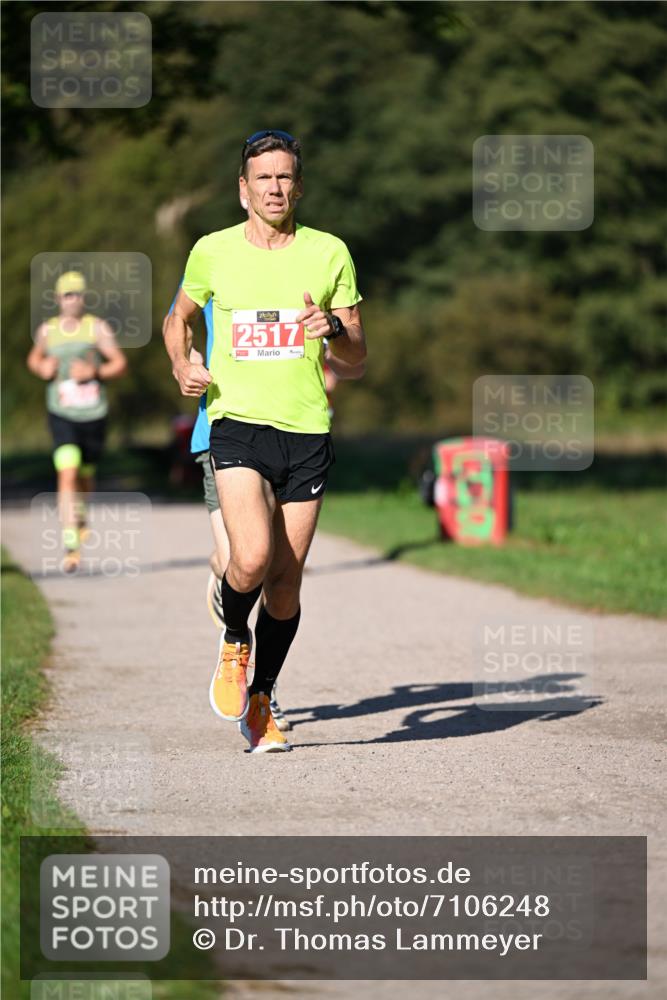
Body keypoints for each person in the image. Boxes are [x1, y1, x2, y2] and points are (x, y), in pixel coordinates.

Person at [163, 129, 366, 753]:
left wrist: (332, 326)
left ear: (297, 186)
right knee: (248, 558)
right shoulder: (213, 251)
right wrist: (182, 364)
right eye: (263, 178)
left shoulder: (329, 252)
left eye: (285, 177)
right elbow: (178, 318)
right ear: (242, 189)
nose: (274, 188)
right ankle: (233, 641)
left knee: (285, 582)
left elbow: (356, 357)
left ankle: (261, 701)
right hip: (238, 424)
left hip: (306, 429)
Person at [27, 270, 127, 572]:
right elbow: (34, 358)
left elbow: (119, 363)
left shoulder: (96, 328)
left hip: (93, 415)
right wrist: (42, 367)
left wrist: (94, 373)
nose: (73, 300)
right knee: (67, 473)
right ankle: (71, 546)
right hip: (62, 413)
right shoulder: (48, 330)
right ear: (58, 299)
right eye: (67, 294)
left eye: (78, 294)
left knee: (84, 476)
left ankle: (80, 514)